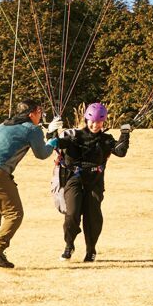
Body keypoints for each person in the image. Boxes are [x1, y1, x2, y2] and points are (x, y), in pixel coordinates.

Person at [0, 99, 58, 269]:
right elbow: (41, 154)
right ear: (32, 113)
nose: (41, 115)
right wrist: (52, 141)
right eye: (40, 112)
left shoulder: (2, 125)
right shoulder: (32, 129)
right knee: (14, 214)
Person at [54, 102, 133, 263]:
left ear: (103, 122)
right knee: (72, 214)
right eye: (92, 121)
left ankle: (91, 250)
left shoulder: (106, 139)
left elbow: (120, 151)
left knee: (93, 216)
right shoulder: (75, 136)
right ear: (86, 119)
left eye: (99, 122)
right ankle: (69, 245)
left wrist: (125, 134)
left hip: (95, 181)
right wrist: (52, 132)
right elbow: (56, 144)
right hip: (74, 179)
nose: (95, 125)